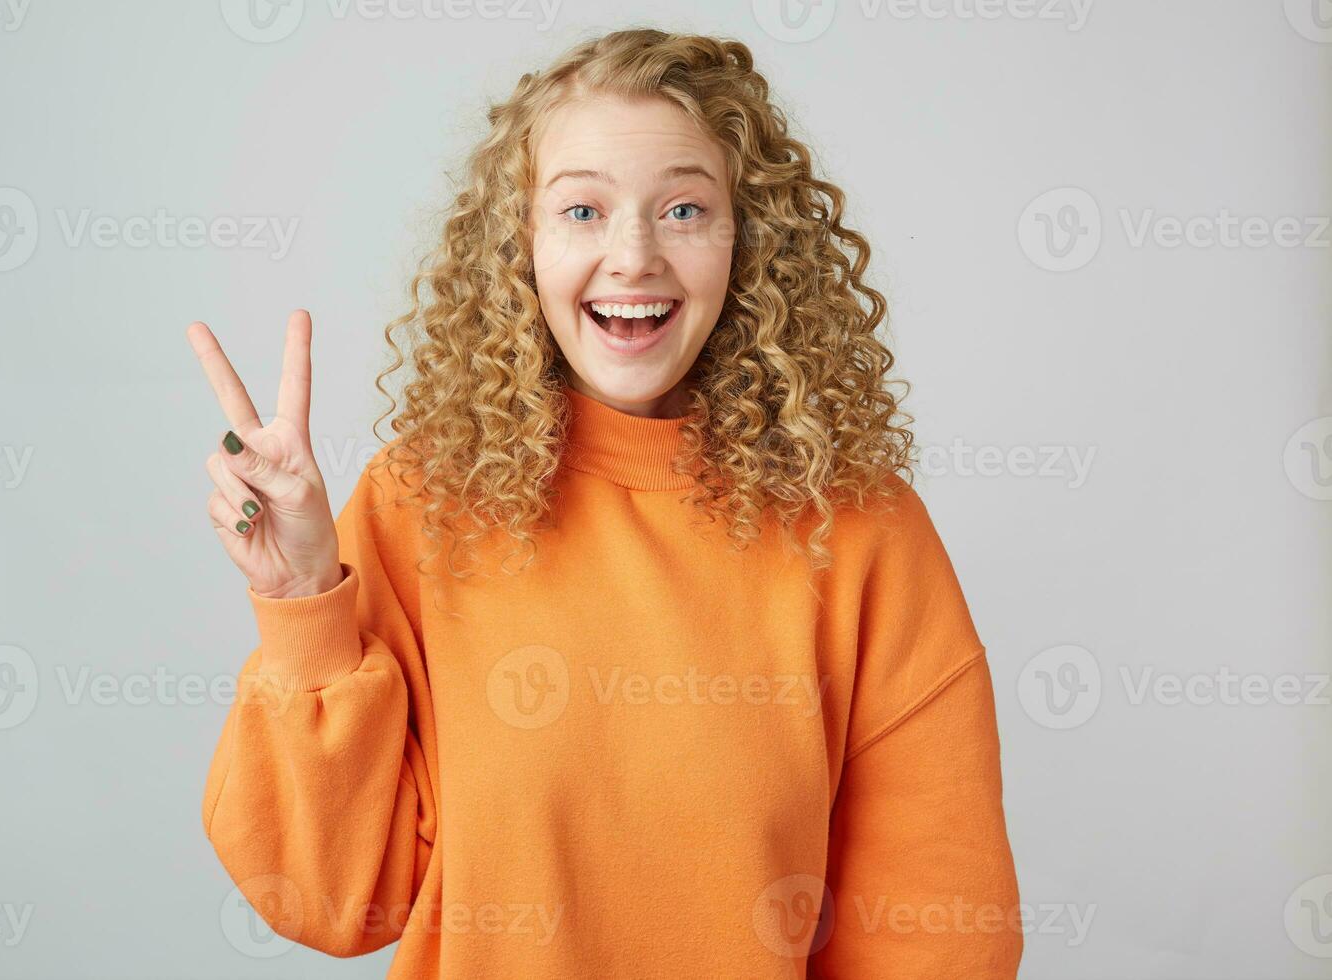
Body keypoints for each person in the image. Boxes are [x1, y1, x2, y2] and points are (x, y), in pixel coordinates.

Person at [188, 27, 1023, 979]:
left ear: (745, 243)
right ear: (521, 247)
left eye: (682, 208)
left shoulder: (861, 527)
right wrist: (306, 606)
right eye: (582, 210)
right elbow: (337, 899)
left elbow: (937, 930)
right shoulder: (424, 502)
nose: (633, 257)